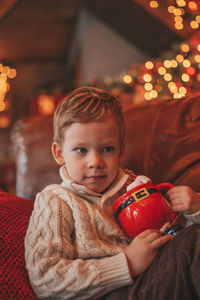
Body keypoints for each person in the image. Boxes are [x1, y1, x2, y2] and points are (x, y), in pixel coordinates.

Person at [25, 86, 200, 300]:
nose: (95, 162)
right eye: (81, 150)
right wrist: (127, 264)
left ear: (121, 151)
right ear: (59, 153)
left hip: (157, 279)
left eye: (107, 149)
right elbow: (46, 279)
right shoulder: (55, 201)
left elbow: (172, 235)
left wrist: (194, 210)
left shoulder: (135, 188)